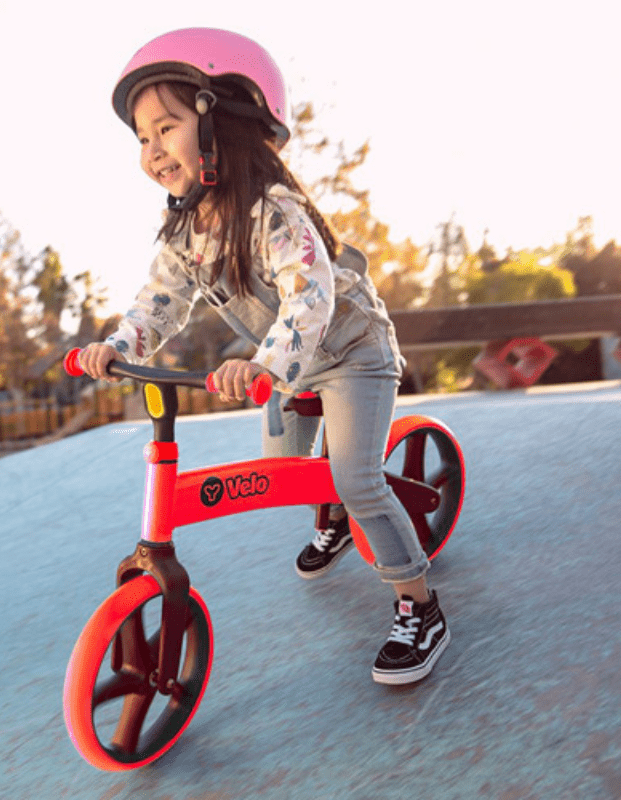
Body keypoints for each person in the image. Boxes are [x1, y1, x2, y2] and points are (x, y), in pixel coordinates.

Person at [77, 28, 450, 685]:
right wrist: (116, 346)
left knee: (357, 479)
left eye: (165, 128)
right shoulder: (187, 233)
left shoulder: (276, 211)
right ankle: (331, 511)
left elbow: (308, 298)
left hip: (351, 353)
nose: (152, 149)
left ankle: (420, 605)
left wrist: (266, 365)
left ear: (225, 123)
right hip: (286, 366)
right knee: (284, 470)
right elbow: (158, 303)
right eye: (142, 137)